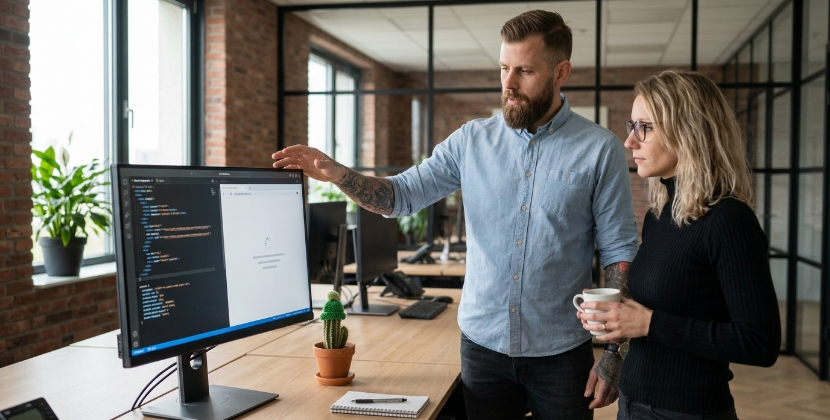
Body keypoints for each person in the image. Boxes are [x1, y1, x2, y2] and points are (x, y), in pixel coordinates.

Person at [274, 10, 638, 419]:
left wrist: (614, 351)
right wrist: (338, 174)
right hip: (483, 349)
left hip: (561, 354)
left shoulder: (599, 149)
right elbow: (400, 196)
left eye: (524, 71)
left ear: (560, 72)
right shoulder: (470, 141)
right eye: (503, 68)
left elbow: (619, 250)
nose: (509, 84)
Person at [577, 69, 781, 419]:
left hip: (687, 410)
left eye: (646, 127)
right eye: (632, 126)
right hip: (633, 402)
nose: (630, 141)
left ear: (689, 132)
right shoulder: (661, 213)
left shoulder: (729, 221)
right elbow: (673, 302)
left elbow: (760, 343)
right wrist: (619, 325)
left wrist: (648, 323)